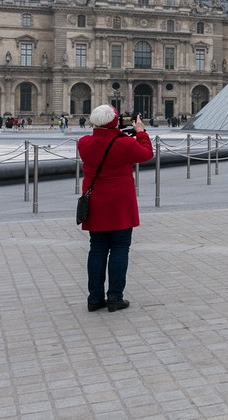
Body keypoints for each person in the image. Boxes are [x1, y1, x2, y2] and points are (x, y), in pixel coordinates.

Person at [78, 105, 152, 313]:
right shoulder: (126, 144)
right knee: (120, 248)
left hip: (95, 203)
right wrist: (141, 132)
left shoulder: (84, 143)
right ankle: (115, 297)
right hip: (120, 203)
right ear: (114, 122)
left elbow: (100, 143)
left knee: (97, 248)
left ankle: (94, 299)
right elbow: (146, 153)